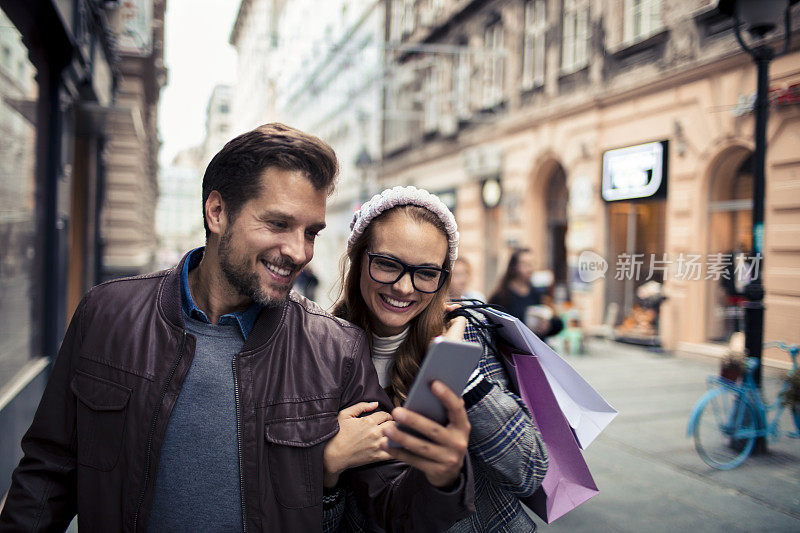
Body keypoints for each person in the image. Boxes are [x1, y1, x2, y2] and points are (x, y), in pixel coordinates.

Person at [0, 124, 475, 532]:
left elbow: (391, 510)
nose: (299, 251)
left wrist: (442, 478)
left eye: (311, 232)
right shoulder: (107, 313)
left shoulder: (337, 350)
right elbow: (46, 475)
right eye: (278, 224)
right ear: (217, 212)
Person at [324, 186, 548, 532]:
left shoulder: (465, 335)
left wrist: (461, 373)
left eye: (426, 273)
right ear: (358, 258)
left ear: (443, 278)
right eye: (387, 264)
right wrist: (328, 470)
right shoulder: (320, 350)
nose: (403, 287)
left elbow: (530, 471)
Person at [489, 248, 563, 339]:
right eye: (525, 264)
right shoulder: (502, 295)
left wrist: (548, 326)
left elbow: (558, 324)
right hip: (511, 349)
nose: (530, 268)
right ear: (514, 266)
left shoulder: (539, 293)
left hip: (536, 349)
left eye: (532, 263)